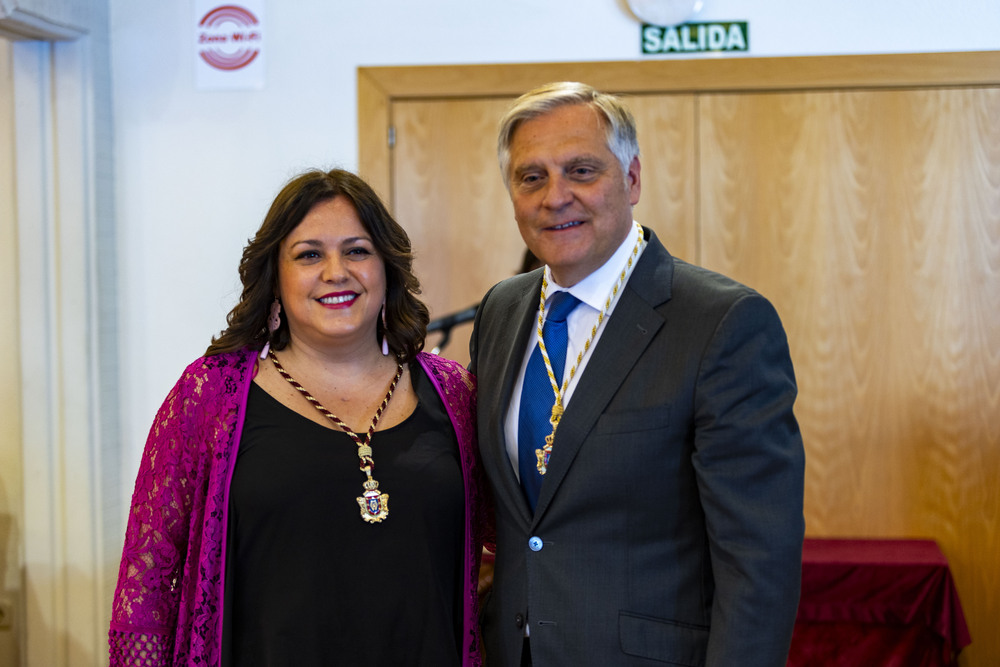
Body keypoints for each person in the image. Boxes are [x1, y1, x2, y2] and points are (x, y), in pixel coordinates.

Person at [469, 82, 805, 667]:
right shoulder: (501, 309)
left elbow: (759, 559)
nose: (556, 197)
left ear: (632, 179)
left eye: (581, 170)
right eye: (531, 178)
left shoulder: (721, 322)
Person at [109, 168, 492, 666]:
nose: (336, 271)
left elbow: (501, 544)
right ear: (276, 277)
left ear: (385, 268)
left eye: (357, 250)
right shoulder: (208, 396)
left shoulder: (455, 393)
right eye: (309, 254)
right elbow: (148, 585)